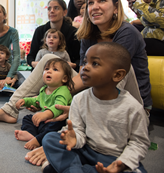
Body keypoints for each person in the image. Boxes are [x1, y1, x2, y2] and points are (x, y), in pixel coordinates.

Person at [0, 0, 149, 129]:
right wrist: (49, 95)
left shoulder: (127, 32)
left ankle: (72, 115)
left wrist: (53, 95)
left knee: (118, 69)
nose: (94, 6)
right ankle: (9, 109)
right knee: (47, 59)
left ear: (116, 7)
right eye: (90, 3)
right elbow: (85, 75)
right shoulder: (88, 35)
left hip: (124, 100)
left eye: (102, 1)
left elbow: (106, 79)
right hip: (92, 89)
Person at [42, 42, 149, 173]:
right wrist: (74, 138)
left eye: (95, 64)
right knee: (50, 139)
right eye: (85, 62)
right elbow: (78, 130)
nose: (85, 67)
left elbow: (139, 143)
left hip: (115, 158)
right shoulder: (79, 99)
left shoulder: (133, 107)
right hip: (86, 150)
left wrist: (122, 163)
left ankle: (74, 169)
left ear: (117, 75)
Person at [14, 58, 73, 150]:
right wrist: (25, 101)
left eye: (55, 69)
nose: (49, 71)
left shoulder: (63, 91)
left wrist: (46, 114)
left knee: (56, 127)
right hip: (44, 121)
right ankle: (31, 134)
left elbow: (59, 107)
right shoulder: (44, 89)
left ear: (64, 78)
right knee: (28, 118)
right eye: (46, 69)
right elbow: (37, 100)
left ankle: (39, 139)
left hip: (55, 121)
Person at [26, 0, 80, 69]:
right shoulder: (39, 31)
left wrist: (73, 65)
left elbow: (79, 58)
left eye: (56, 8)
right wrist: (34, 63)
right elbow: (30, 56)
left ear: (64, 12)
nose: (51, 11)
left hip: (65, 71)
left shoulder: (73, 32)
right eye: (49, 9)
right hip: (42, 71)